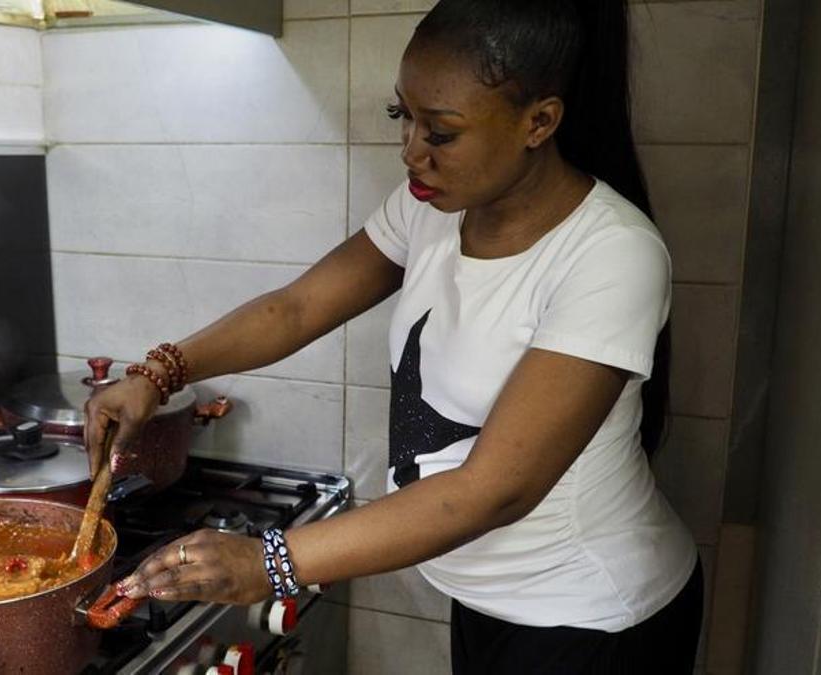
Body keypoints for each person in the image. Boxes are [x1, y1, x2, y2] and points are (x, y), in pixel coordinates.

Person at [84, 0, 702, 671]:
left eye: (440, 132)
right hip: (489, 600)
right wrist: (158, 373)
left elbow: (492, 490)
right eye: (402, 116)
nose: (411, 151)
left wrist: (270, 560)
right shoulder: (431, 207)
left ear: (539, 122)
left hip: (591, 618)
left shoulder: (610, 255)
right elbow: (294, 309)